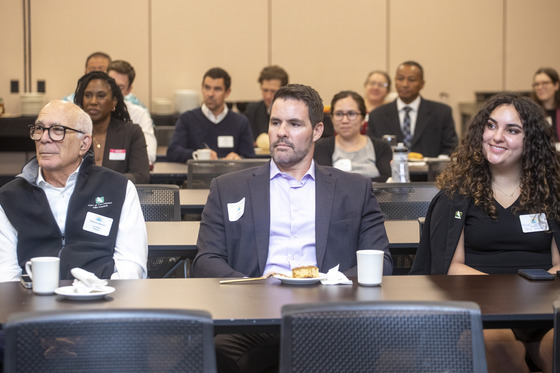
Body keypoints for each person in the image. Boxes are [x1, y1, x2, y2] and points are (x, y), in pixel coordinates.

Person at [193, 83, 392, 372]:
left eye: (295, 123)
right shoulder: (228, 188)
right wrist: (254, 288)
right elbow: (205, 261)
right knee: (216, 350)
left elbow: (381, 261)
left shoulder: (354, 189)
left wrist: (329, 290)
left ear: (318, 131)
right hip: (255, 315)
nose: (282, 131)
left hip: (329, 315)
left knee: (355, 350)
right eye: (276, 122)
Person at [410, 93, 560, 373]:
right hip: (482, 310)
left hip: (542, 309)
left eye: (512, 130)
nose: (496, 136)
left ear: (532, 141)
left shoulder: (552, 194)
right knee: (500, 348)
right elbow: (450, 267)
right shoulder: (456, 196)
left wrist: (531, 293)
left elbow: (558, 263)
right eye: (491, 126)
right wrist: (510, 291)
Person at [0, 100, 148, 281]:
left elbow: (131, 265)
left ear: (84, 144)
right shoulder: (9, 197)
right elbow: (5, 273)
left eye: (57, 130)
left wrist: (101, 296)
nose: (44, 138)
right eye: (39, 129)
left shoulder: (118, 188)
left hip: (102, 298)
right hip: (32, 301)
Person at [367, 61, 458, 157]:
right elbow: (372, 150)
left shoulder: (441, 113)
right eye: (400, 79)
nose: (405, 84)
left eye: (411, 79)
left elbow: (451, 148)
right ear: (395, 81)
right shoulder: (377, 116)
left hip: (432, 171)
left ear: (422, 83)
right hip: (391, 171)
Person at [74, 71, 150, 184]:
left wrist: (102, 182)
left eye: (101, 96)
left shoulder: (131, 132)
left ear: (114, 101)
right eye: (88, 95)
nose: (93, 102)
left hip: (119, 197)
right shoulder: (72, 132)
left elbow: (141, 176)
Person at [167, 67, 256, 162]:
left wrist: (239, 159)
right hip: (197, 175)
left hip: (230, 175)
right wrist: (197, 155)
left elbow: (250, 158)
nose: (210, 94)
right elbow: (173, 152)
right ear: (202, 88)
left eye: (217, 89)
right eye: (207, 88)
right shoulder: (187, 119)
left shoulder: (240, 122)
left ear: (227, 92)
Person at [314, 90, 391, 182]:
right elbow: (326, 180)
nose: (345, 120)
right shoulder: (321, 146)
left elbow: (387, 180)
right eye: (339, 114)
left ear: (363, 118)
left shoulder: (381, 147)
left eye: (351, 114)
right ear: (332, 118)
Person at [107, 60, 158, 165]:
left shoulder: (139, 114)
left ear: (128, 90)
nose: (113, 91)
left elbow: (149, 154)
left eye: (120, 87)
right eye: (110, 84)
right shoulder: (91, 112)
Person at [63, 52, 145, 108]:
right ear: (85, 73)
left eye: (101, 69)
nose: (96, 73)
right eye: (92, 69)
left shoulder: (134, 103)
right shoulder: (69, 102)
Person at [244, 65, 289, 141]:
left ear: (284, 90)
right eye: (265, 90)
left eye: (273, 91)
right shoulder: (252, 110)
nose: (268, 96)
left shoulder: (294, 111)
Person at [531, 67, 560, 140]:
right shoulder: (531, 112)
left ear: (556, 85)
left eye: (545, 83)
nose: (540, 87)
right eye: (536, 84)